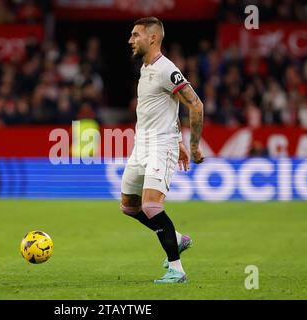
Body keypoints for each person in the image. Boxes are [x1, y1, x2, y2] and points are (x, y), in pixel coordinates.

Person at [121, 17, 205, 284]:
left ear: (153, 38)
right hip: (141, 146)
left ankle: (176, 270)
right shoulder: (146, 69)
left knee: (151, 205)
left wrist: (192, 145)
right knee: (130, 208)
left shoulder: (167, 70)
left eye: (135, 35)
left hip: (160, 147)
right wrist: (180, 138)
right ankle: (177, 239)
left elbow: (196, 105)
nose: (130, 40)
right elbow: (169, 107)